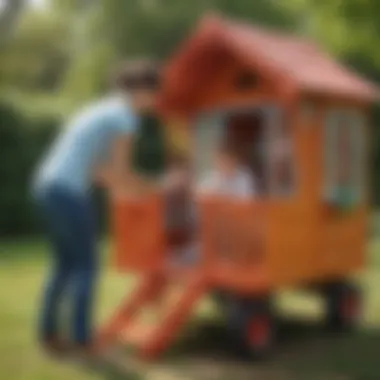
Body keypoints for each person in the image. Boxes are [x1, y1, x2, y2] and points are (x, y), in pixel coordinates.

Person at [31, 59, 161, 356]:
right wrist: (151, 188)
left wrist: (130, 187)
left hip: (47, 186)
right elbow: (121, 172)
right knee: (86, 266)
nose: (154, 102)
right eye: (154, 94)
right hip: (69, 192)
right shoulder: (126, 117)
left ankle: (48, 334)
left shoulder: (98, 109)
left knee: (64, 265)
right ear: (141, 90)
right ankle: (82, 339)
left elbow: (97, 171)